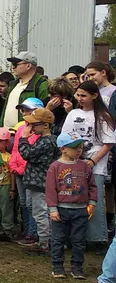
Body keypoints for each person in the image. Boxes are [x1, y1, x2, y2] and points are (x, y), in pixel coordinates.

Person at [59, 80, 114, 248]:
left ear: (94, 95)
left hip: (95, 164)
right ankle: (76, 237)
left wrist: (92, 160)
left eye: (84, 95)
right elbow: (65, 136)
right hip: (74, 162)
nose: (80, 98)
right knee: (76, 199)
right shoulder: (73, 113)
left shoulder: (103, 116)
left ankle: (98, 238)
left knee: (94, 200)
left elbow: (108, 143)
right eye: (78, 95)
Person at [46, 134, 96, 279]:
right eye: (75, 147)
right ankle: (57, 267)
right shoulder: (55, 167)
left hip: (80, 210)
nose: (79, 150)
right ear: (63, 149)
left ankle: (77, 267)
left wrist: (92, 203)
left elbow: (92, 186)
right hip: (61, 210)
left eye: (80, 147)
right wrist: (53, 208)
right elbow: (50, 189)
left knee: (79, 240)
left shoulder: (85, 166)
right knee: (58, 239)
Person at [17, 107, 58, 256]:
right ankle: (49, 240)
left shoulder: (46, 142)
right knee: (44, 212)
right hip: (42, 182)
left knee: (41, 213)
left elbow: (27, 153)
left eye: (34, 124)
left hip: (40, 182)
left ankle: (44, 243)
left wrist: (23, 138)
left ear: (46, 125)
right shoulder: (50, 140)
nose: (31, 127)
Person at [0, 51, 50, 129]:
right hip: (6, 132)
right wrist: (0, 128)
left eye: (15, 64)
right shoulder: (13, 84)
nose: (13, 67)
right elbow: (5, 110)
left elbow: (44, 113)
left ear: (28, 66)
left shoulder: (41, 85)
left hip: (27, 132)